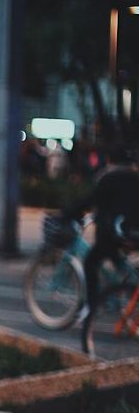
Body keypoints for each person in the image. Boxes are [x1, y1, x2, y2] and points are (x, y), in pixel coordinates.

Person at [64, 147, 139, 348]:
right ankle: (122, 290)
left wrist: (68, 214)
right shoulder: (135, 178)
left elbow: (90, 200)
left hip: (115, 234)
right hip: (131, 233)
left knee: (91, 262)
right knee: (117, 261)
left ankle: (91, 305)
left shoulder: (109, 177)